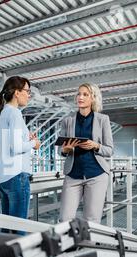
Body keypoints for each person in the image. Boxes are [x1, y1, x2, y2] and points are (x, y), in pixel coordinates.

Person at [59, 83, 114, 224]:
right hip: (73, 175)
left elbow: (109, 150)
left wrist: (96, 145)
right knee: (65, 218)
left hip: (96, 174)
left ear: (93, 98)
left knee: (92, 220)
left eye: (85, 94)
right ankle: (69, 246)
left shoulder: (103, 120)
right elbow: (62, 149)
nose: (80, 97)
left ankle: (89, 246)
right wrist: (65, 150)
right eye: (79, 94)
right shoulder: (68, 121)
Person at [0, 76, 41, 233]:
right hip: (17, 178)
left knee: (7, 229)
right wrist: (34, 144)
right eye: (27, 91)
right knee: (20, 229)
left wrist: (27, 138)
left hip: (4, 179)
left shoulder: (4, 113)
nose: (28, 95)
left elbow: (10, 144)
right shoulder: (15, 113)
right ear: (16, 93)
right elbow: (16, 147)